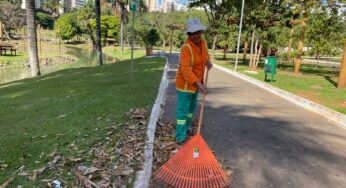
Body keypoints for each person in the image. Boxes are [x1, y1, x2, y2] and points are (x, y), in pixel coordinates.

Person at [175, 18, 213, 144]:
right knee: (183, 112)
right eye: (193, 33)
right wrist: (199, 84)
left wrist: (207, 61)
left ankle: (186, 129)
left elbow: (205, 55)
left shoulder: (203, 43)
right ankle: (180, 136)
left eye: (199, 32)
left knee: (191, 110)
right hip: (185, 86)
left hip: (196, 84)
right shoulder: (186, 48)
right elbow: (185, 69)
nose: (197, 35)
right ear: (189, 34)